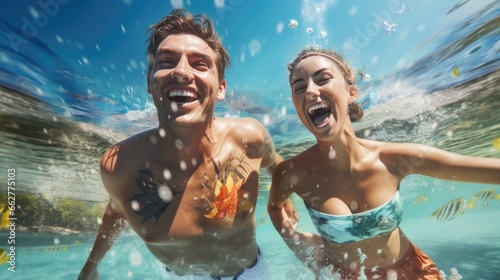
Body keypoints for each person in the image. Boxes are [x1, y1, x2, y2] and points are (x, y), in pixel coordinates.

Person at [79, 9, 296, 280]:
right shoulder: (119, 165)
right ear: (149, 81)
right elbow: (115, 212)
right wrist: (90, 268)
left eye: (200, 63)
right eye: (167, 61)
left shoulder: (250, 138)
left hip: (247, 274)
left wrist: (281, 198)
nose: (181, 72)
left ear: (221, 87)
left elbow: (275, 164)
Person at [267, 46, 500, 279]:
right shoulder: (290, 173)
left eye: (322, 79)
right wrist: (300, 245)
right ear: (296, 104)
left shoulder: (395, 159)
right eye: (299, 87)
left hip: (411, 273)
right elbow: (275, 209)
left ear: (351, 92)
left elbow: (490, 171)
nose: (310, 91)